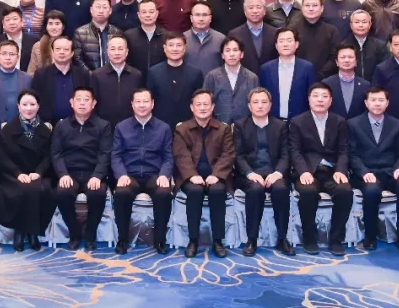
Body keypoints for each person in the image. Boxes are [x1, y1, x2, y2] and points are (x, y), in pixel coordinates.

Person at [0, 90, 55, 251]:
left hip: (38, 174)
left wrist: (39, 172)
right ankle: (22, 231)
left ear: (38, 106)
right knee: (21, 190)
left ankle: (31, 232)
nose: (28, 108)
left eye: (32, 104)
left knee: (41, 189)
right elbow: (3, 158)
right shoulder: (8, 129)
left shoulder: (45, 130)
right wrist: (18, 173)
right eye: (24, 104)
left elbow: (48, 157)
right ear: (18, 106)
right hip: (13, 174)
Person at [348, 86, 399, 252]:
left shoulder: (397, 124)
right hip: (366, 173)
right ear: (366, 103)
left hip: (390, 172)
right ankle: (370, 236)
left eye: (381, 100)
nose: (377, 103)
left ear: (387, 103)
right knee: (371, 191)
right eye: (373, 100)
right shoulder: (353, 124)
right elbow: (352, 155)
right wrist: (364, 172)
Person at [290, 83, 353, 255]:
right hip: (309, 171)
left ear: (330, 100)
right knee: (307, 192)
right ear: (309, 99)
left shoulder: (339, 121)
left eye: (324, 96)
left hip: (333, 171)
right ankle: (309, 238)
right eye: (316, 96)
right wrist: (303, 171)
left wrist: (341, 170)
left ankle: (336, 240)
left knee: (345, 191)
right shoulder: (297, 122)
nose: (320, 100)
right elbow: (295, 150)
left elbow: (343, 150)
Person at [111, 88, 174, 255]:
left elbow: (168, 157)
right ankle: (122, 239)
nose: (142, 105)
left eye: (145, 101)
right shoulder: (121, 127)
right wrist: (121, 175)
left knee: (163, 193)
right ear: (132, 104)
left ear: (152, 104)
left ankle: (160, 240)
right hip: (130, 174)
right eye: (138, 101)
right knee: (122, 193)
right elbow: (116, 155)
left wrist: (164, 175)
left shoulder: (163, 128)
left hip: (154, 174)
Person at [174, 90, 235, 258]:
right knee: (195, 191)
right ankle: (193, 240)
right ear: (192, 107)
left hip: (216, 176)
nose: (202, 108)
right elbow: (180, 155)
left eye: (206, 104)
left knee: (217, 191)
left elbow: (228, 155)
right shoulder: (182, 129)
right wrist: (191, 175)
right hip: (191, 177)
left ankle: (218, 241)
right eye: (198, 104)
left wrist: (217, 174)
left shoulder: (223, 128)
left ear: (212, 107)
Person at [234, 87, 295, 256]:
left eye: (263, 102)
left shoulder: (280, 126)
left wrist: (278, 173)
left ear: (270, 105)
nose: (260, 106)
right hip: (250, 174)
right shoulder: (240, 125)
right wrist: (250, 174)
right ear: (249, 106)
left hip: (274, 172)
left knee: (281, 189)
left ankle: (282, 238)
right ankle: (252, 239)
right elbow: (238, 156)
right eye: (256, 102)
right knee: (255, 190)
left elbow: (286, 154)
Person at [52, 86, 113, 251]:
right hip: (69, 173)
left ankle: (90, 234)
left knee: (97, 193)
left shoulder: (103, 125)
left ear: (93, 103)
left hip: (92, 173)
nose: (82, 103)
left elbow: (105, 153)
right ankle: (75, 233)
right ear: (71, 102)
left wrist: (97, 175)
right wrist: (63, 174)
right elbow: (56, 153)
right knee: (63, 192)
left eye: (86, 100)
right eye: (78, 99)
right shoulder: (61, 126)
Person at [146, 33, 205, 127]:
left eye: (179, 45)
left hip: (189, 127)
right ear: (164, 48)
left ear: (184, 48)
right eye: (171, 45)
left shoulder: (195, 73)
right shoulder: (154, 72)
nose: (175, 49)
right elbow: (150, 100)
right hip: (160, 126)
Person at [259, 27, 316, 119]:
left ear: (296, 44)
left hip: (300, 121)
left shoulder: (307, 68)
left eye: (289, 41)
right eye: (281, 41)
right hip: (273, 121)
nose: (285, 44)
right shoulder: (266, 69)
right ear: (276, 45)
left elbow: (312, 95)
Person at [31, 35, 92, 123]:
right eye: (58, 49)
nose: (61, 52)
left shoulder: (82, 74)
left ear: (72, 53)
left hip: (77, 125)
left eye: (66, 49)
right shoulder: (41, 74)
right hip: (48, 125)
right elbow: (34, 100)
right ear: (52, 52)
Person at [87, 34, 143, 125]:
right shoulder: (97, 75)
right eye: (113, 49)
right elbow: (93, 104)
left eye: (120, 49)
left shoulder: (136, 75)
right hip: (104, 126)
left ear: (127, 52)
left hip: (130, 126)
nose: (117, 53)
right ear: (107, 52)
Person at [0, 40, 34, 131]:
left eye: (12, 54)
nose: (8, 58)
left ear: (18, 57)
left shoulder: (27, 79)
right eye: (4, 54)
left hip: (22, 130)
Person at [203, 37, 260, 123]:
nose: (232, 54)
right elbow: (205, 102)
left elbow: (257, 104)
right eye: (228, 50)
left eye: (235, 50)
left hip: (245, 126)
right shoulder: (212, 76)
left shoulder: (252, 78)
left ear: (242, 54)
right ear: (222, 55)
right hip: (218, 125)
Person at [228, 0, 278, 74]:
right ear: (245, 12)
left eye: (258, 7)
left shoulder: (275, 33)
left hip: (270, 77)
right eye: (251, 8)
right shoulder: (234, 35)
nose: (255, 11)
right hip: (244, 79)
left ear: (264, 11)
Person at [294, 0, 342, 77]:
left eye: (315, 5)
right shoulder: (292, 30)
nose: (311, 9)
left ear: (322, 8)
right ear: (302, 8)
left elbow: (335, 56)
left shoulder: (331, 30)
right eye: (307, 5)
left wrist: (321, 75)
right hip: (298, 76)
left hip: (325, 78)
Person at [72, 0, 120, 71]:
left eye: (104, 7)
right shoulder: (80, 33)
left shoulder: (117, 32)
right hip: (88, 77)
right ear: (91, 10)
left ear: (110, 11)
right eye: (98, 7)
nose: (101, 10)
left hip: (113, 76)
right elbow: (77, 59)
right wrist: (93, 76)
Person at [323, 44, 371, 119]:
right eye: (343, 57)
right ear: (336, 62)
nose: (347, 60)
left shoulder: (366, 85)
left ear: (356, 62)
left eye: (350, 57)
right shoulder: (326, 84)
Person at [342, 9, 389, 81]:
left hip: (375, 86)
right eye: (357, 22)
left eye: (364, 22)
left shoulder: (380, 46)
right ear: (351, 25)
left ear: (370, 25)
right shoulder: (343, 46)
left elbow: (385, 69)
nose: (361, 25)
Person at [124, 0, 165, 79]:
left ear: (157, 14)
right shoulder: (128, 36)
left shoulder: (166, 36)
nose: (148, 15)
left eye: (151, 12)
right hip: (135, 80)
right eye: (144, 12)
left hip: (160, 80)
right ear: (138, 15)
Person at [184, 1, 226, 75]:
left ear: (210, 18)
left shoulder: (221, 39)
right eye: (197, 15)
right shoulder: (182, 39)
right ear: (191, 18)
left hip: (214, 82)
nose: (201, 19)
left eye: (205, 15)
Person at [28, 10, 67, 74]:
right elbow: (31, 72)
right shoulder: (37, 46)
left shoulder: (69, 45)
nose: (54, 27)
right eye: (50, 24)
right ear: (46, 27)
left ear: (63, 27)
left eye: (57, 24)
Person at [0, 7, 36, 71]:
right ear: (3, 24)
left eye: (15, 19)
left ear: (22, 22)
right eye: (8, 20)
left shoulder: (34, 41)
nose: (12, 22)